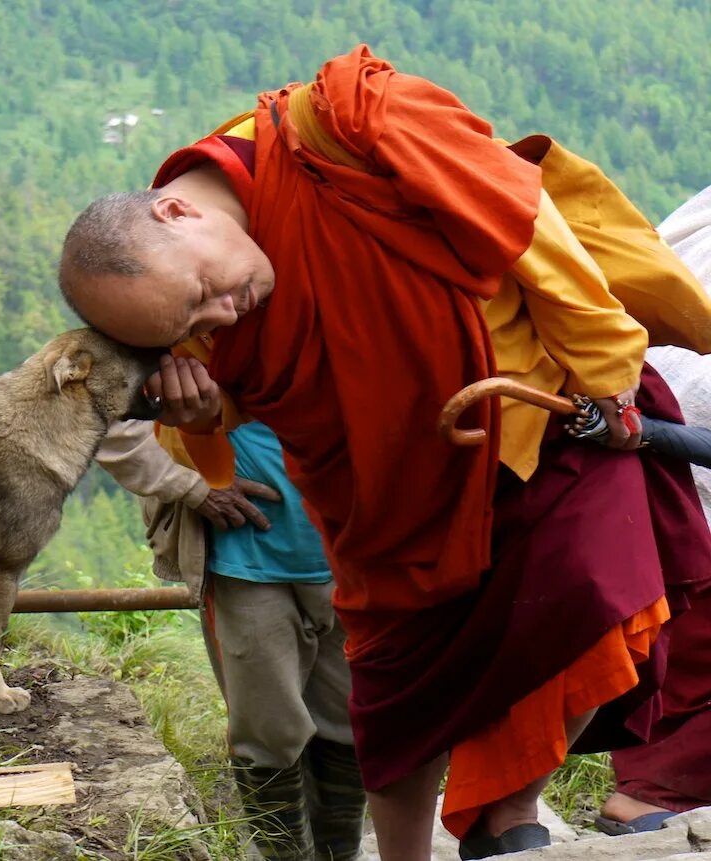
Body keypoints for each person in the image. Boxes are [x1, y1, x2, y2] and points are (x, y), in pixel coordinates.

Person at [59, 46, 711, 860]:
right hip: (376, 488)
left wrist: (610, 373)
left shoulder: (350, 124)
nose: (224, 311)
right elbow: (254, 395)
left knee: (592, 592)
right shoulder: (185, 304)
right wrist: (200, 412)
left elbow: (529, 231)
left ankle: (511, 812)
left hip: (534, 412)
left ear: (176, 213)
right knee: (400, 682)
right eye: (201, 318)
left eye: (207, 293)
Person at [95, 418, 368, 860]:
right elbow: (99, 412)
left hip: (358, 554)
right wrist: (189, 485)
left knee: (352, 723)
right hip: (242, 562)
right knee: (267, 732)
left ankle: (342, 854)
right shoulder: (173, 346)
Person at [596, 185, 711, 834]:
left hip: (653, 491)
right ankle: (653, 799)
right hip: (674, 492)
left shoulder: (692, 224)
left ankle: (649, 792)